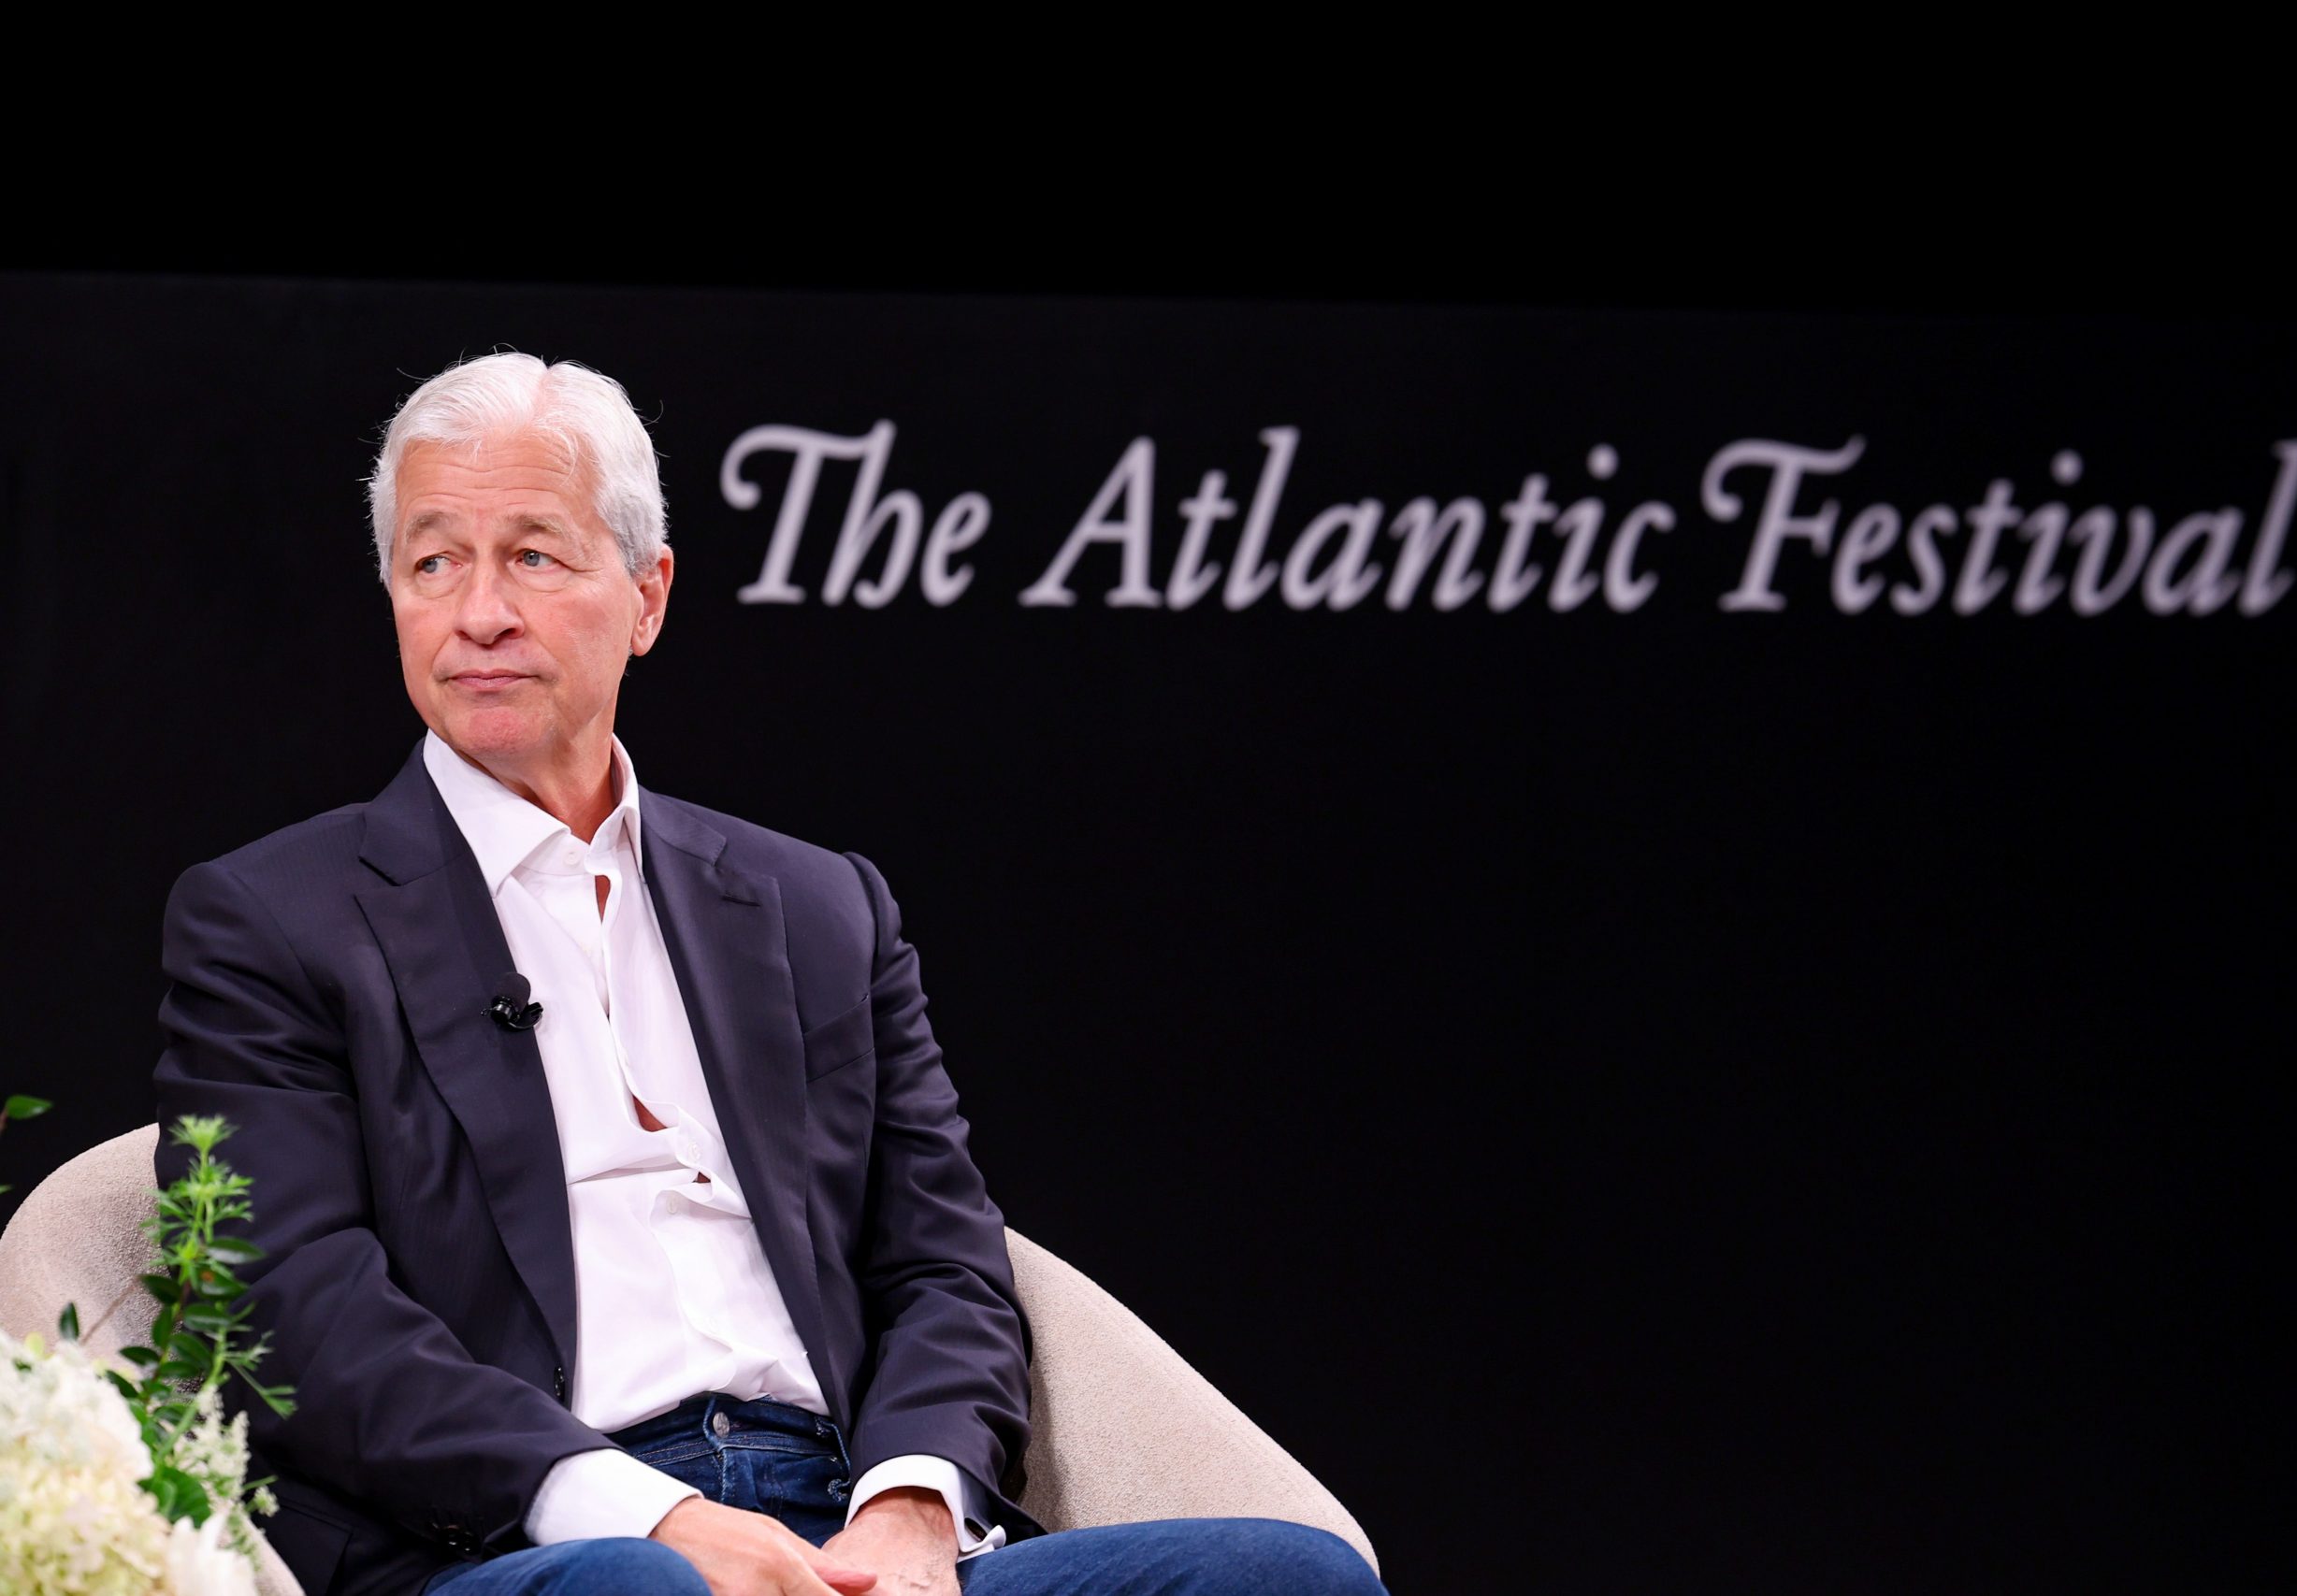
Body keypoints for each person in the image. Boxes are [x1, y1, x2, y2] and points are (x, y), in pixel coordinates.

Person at [152, 352, 1386, 1596]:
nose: (478, 613)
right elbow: (291, 1307)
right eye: (434, 563)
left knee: (1296, 1576)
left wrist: (911, 1506)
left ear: (647, 595)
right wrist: (654, 1519)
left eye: (532, 555)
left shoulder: (815, 908)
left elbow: (945, 1263)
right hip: (541, 1545)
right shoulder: (271, 920)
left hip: (847, 1528)